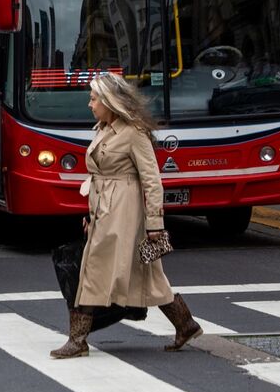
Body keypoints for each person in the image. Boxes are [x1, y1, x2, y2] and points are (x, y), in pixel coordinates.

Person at [51, 72, 203, 359]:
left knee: (93, 270)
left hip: (125, 216)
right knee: (148, 276)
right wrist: (90, 214)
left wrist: (155, 226)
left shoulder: (133, 132)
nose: (90, 104)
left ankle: (78, 340)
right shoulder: (105, 128)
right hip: (107, 212)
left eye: (94, 99)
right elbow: (98, 177)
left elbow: (152, 180)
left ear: (110, 101)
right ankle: (186, 324)